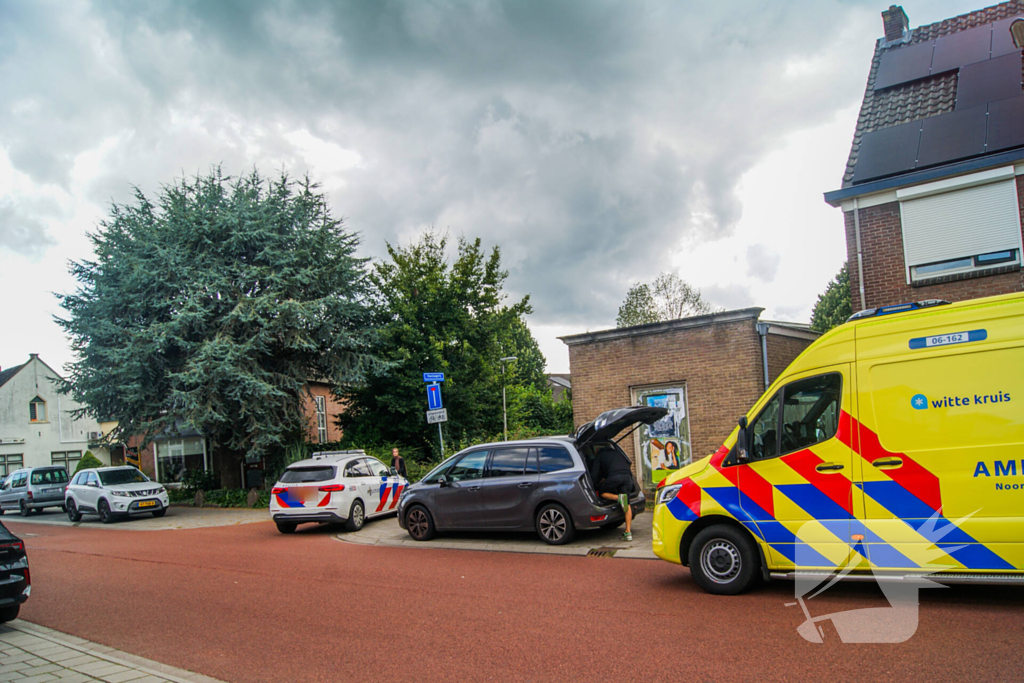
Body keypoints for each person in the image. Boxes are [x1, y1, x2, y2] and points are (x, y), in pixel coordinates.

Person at [589, 445, 635, 542]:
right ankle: (628, 532)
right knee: (627, 503)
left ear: (597, 451)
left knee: (602, 492)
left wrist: (594, 485)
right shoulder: (617, 453)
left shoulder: (600, 455)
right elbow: (628, 463)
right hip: (627, 478)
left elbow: (595, 473)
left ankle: (618, 497)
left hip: (615, 478)